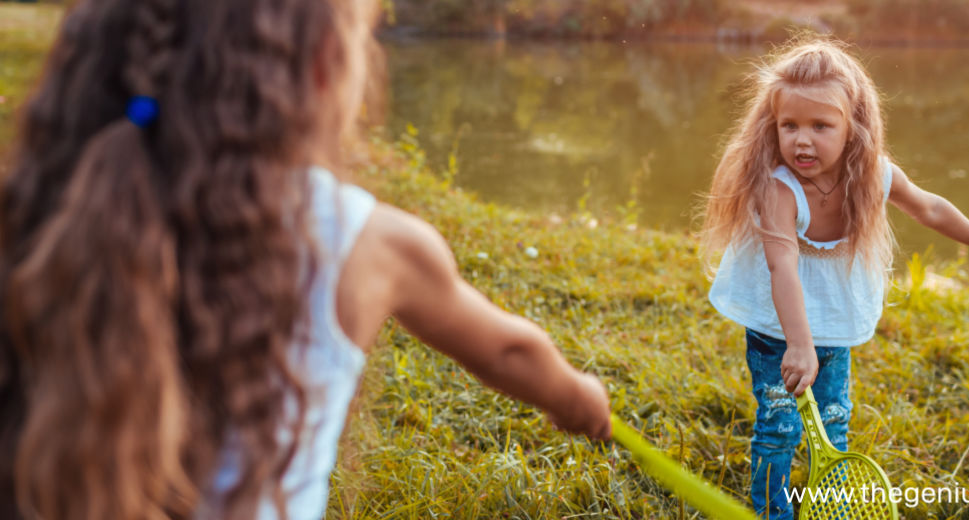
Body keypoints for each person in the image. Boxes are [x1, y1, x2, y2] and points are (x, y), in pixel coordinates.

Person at [0, 1, 610, 519]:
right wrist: (577, 398)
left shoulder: (37, 206)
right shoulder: (366, 244)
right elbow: (509, 351)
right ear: (322, 68)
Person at [700, 37, 969, 519]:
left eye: (820, 126)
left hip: (834, 316)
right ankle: (772, 512)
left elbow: (929, 206)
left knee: (832, 422)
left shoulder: (874, 173)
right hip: (779, 325)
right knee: (780, 426)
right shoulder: (779, 187)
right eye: (788, 126)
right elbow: (782, 265)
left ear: (853, 127)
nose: (802, 140)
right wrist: (798, 344)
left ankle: (828, 507)